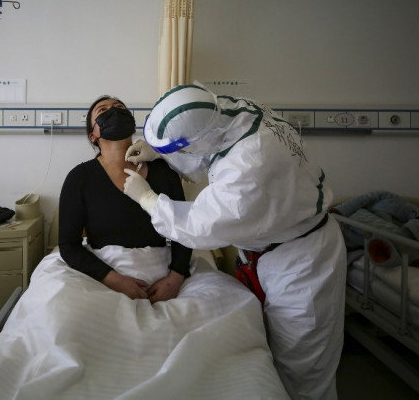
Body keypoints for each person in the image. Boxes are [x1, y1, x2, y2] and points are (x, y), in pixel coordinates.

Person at [122, 83, 347, 400]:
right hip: (274, 248)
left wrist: (148, 200)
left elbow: (202, 224)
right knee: (273, 350)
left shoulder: (251, 166)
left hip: (302, 263)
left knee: (304, 370)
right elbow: (211, 146)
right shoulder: (228, 110)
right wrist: (158, 149)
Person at [58, 95, 192, 302]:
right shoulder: (80, 178)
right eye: (103, 110)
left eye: (120, 107)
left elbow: (184, 229)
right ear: (92, 135)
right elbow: (68, 246)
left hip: (161, 272)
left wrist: (175, 278)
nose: (114, 110)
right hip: (102, 273)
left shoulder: (164, 172)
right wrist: (113, 279)